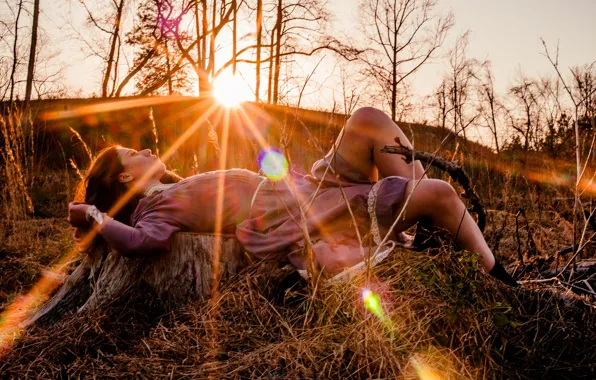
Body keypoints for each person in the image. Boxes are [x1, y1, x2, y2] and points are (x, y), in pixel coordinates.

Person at [68, 107, 517, 286]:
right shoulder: (154, 209)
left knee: (368, 119)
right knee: (438, 193)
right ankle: (500, 280)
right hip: (308, 213)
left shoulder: (170, 189)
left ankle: (426, 229)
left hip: (305, 186)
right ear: (125, 179)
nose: (146, 149)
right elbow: (143, 244)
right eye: (133, 152)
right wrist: (92, 213)